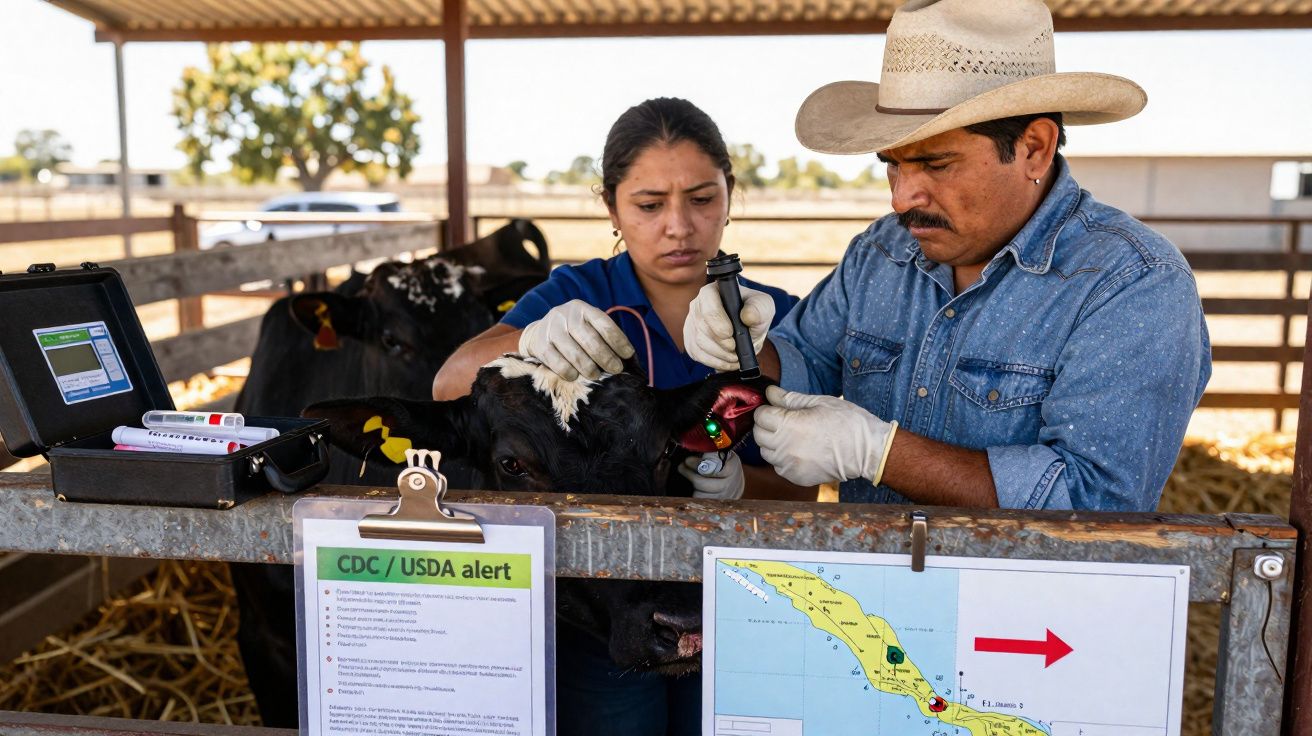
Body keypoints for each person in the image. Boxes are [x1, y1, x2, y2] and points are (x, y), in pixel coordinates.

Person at [684, 0, 1211, 512]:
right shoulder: (882, 253)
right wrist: (744, 340)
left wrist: (881, 455)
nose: (901, 199)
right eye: (892, 164)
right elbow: (810, 362)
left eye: (936, 164)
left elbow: (1098, 502)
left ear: (1034, 148)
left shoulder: (1131, 283)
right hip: (866, 573)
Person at [431, 97, 799, 736]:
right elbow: (449, 383)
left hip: (741, 599)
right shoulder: (580, 295)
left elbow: (805, 491)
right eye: (649, 205)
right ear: (611, 208)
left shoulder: (775, 319)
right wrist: (531, 339)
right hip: (605, 600)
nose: (679, 227)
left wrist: (740, 491)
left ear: (730, 194)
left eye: (702, 199)